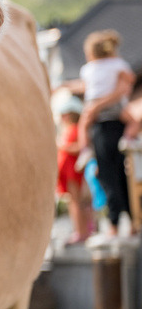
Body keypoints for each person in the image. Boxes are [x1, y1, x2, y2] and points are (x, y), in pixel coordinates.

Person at [66, 30, 138, 234]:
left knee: (108, 176)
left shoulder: (89, 68)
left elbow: (89, 89)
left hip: (101, 121)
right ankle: (132, 222)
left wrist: (97, 104)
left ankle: (114, 224)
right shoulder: (118, 65)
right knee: (123, 176)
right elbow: (128, 82)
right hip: (117, 117)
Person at [55, 95, 92, 244]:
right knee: (74, 202)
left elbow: (80, 148)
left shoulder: (76, 129)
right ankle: (80, 231)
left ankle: (81, 232)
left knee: (76, 202)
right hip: (67, 171)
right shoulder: (67, 129)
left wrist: (64, 146)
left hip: (73, 171)